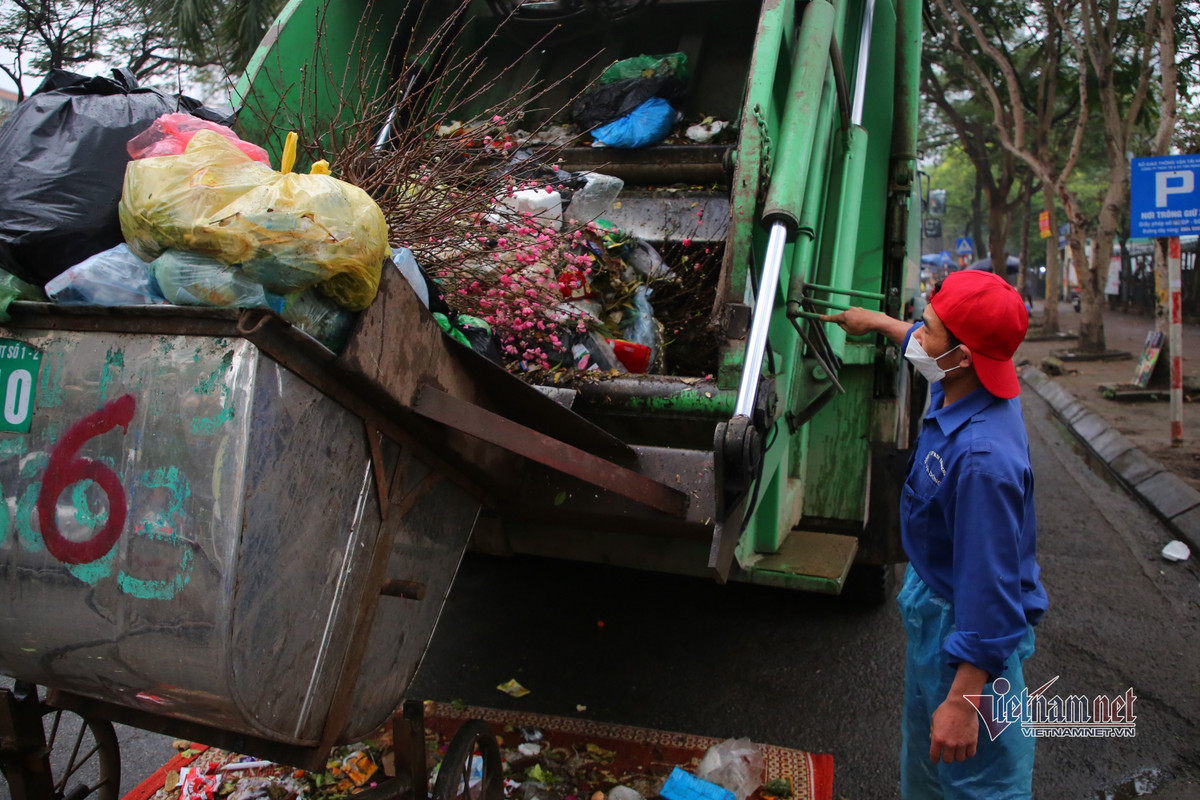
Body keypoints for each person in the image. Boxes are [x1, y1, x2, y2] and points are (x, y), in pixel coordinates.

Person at [821, 270, 1048, 799]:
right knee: (926, 766)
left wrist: (966, 700)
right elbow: (922, 342)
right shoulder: (966, 382)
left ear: (964, 356)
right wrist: (875, 322)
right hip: (935, 609)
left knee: (978, 780)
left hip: (967, 630)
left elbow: (991, 592)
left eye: (928, 330)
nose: (917, 337)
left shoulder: (982, 462)